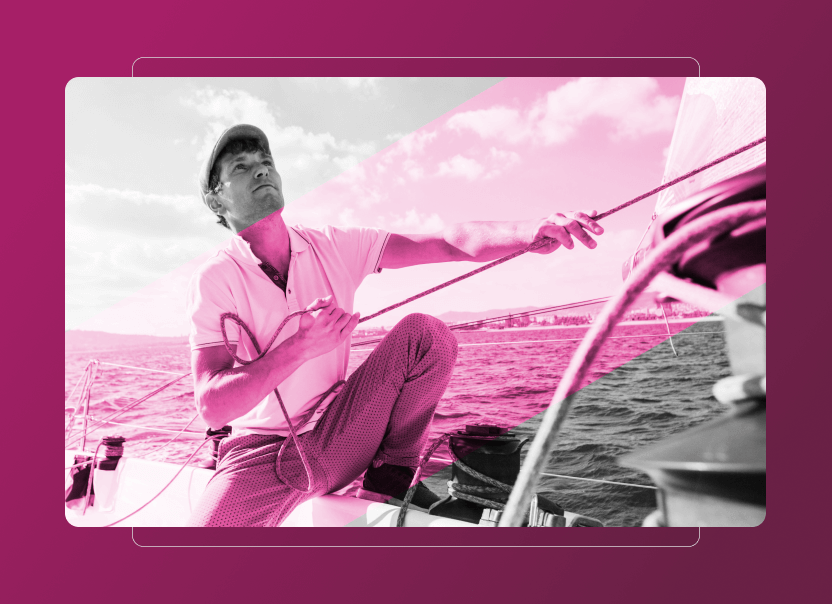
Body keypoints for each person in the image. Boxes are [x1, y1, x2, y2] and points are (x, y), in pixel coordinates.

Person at [186, 124, 604, 527]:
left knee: (425, 336)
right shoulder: (216, 277)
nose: (260, 169)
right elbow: (212, 406)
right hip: (260, 453)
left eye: (265, 160)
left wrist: (527, 231)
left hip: (338, 438)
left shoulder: (332, 245)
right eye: (240, 166)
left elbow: (446, 240)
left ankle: (387, 480)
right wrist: (299, 347)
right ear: (217, 201)